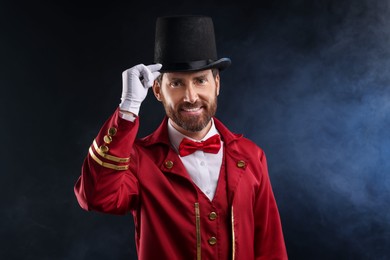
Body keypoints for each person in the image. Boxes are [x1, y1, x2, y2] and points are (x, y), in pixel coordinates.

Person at [74, 15, 288, 260]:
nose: (190, 96)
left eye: (200, 81)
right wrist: (128, 107)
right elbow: (95, 197)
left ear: (216, 84)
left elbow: (270, 247)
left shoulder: (252, 156)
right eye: (176, 83)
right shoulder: (137, 161)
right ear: (157, 90)